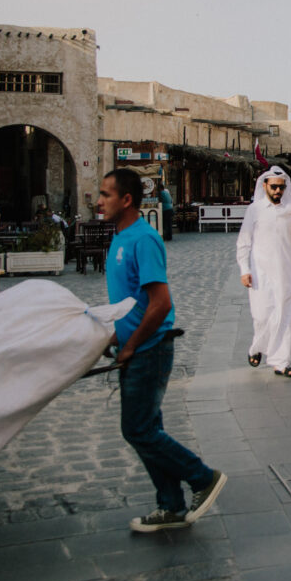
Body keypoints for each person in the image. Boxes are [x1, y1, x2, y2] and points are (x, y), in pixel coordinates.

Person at [98, 167, 227, 531]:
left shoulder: (143, 239)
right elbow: (131, 302)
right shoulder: (120, 238)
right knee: (147, 427)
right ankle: (171, 505)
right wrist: (113, 338)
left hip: (149, 349)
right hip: (133, 346)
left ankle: (202, 477)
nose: (99, 201)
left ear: (126, 200)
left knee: (137, 430)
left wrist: (132, 345)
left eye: (106, 194)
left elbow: (160, 302)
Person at [236, 166, 291, 377]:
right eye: (274, 187)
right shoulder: (255, 210)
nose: (278, 191)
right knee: (262, 316)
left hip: (287, 273)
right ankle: (256, 348)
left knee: (286, 316)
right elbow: (244, 242)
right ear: (265, 186)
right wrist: (245, 269)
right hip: (260, 274)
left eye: (281, 187)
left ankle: (281, 361)